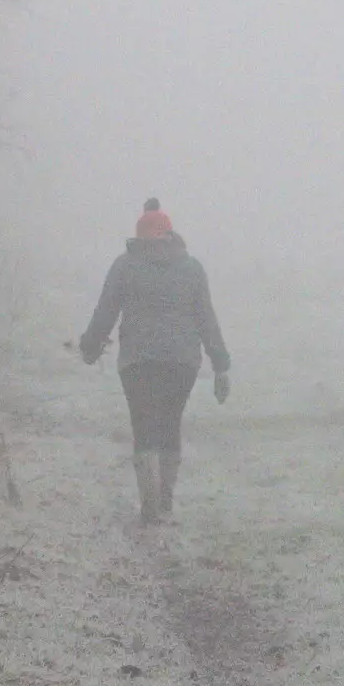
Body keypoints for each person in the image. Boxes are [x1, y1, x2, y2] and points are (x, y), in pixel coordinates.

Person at [80, 198, 230, 525]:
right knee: (170, 423)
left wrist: (90, 347)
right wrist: (220, 363)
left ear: (140, 235)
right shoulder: (192, 268)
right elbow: (207, 318)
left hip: (138, 360)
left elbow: (106, 311)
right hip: (182, 362)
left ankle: (149, 506)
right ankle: (165, 502)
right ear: (170, 233)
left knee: (143, 425)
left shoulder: (125, 266)